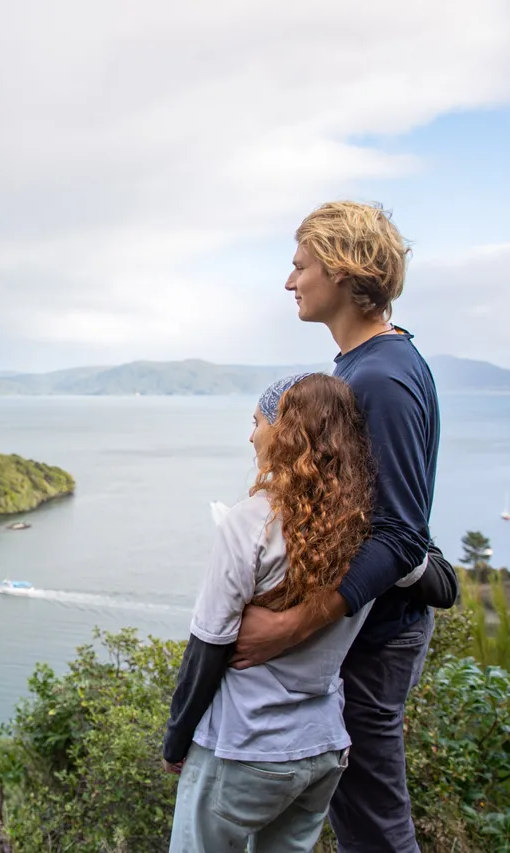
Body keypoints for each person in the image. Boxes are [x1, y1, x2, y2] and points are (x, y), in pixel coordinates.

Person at [231, 201, 455, 853]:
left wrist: (294, 624)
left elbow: (399, 535)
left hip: (379, 634)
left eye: (299, 265)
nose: (289, 280)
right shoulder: (361, 365)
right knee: (357, 815)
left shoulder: (381, 375)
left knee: (374, 824)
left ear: (340, 268)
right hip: (370, 627)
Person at [163, 373, 376, 852]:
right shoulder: (369, 532)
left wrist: (176, 741)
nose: (251, 435)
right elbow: (428, 576)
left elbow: (209, 645)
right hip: (322, 746)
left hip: (245, 745)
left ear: (286, 432)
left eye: (257, 421)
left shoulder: (251, 524)